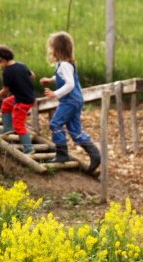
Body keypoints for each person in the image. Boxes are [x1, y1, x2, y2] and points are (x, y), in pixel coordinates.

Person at [39, 31, 101, 174]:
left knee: (55, 123)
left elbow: (70, 84)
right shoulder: (64, 64)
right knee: (75, 130)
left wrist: (55, 94)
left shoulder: (64, 66)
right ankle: (95, 154)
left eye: (52, 47)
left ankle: (62, 154)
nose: (50, 50)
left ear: (58, 49)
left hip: (70, 101)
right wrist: (51, 80)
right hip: (75, 100)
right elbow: (62, 77)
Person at [0, 45, 35, 154]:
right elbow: (32, 75)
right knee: (6, 102)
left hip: (23, 102)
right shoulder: (22, 65)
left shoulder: (7, 71)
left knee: (18, 124)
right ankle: (7, 127)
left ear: (1, 59)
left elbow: (5, 89)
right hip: (27, 96)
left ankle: (29, 148)